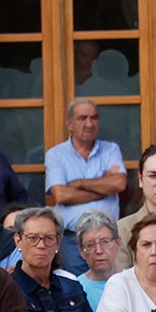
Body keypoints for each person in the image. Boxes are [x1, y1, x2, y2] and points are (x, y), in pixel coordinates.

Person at [43, 99, 126, 273]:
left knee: (111, 288)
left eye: (94, 118)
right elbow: (62, 196)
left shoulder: (110, 150)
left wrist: (80, 183)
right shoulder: (56, 154)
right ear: (69, 123)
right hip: (72, 240)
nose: (89, 124)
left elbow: (119, 183)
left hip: (109, 239)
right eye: (82, 118)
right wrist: (103, 188)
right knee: (75, 289)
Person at [10, 207, 95, 312]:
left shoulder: (73, 288)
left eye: (49, 238)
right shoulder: (6, 290)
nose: (41, 245)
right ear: (18, 241)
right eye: (33, 238)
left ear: (58, 243)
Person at [73, 212, 121, 310]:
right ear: (81, 251)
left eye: (105, 242)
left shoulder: (135, 282)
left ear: (118, 243)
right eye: (90, 245)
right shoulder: (75, 289)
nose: (99, 251)